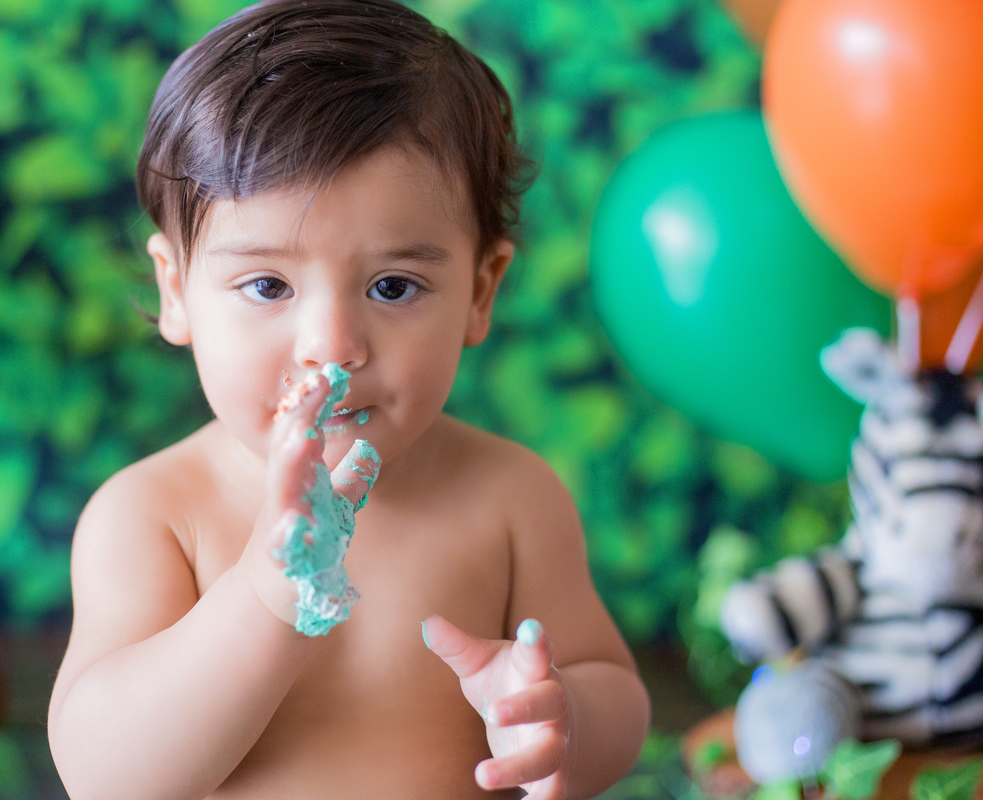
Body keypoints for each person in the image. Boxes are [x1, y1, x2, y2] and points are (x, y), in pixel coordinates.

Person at [47, 1, 649, 798]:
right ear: (176, 289)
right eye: (268, 285)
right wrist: (266, 595)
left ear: (480, 291)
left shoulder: (511, 498)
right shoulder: (155, 515)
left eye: (393, 286)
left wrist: (557, 716)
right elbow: (105, 773)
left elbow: (615, 692)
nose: (332, 346)